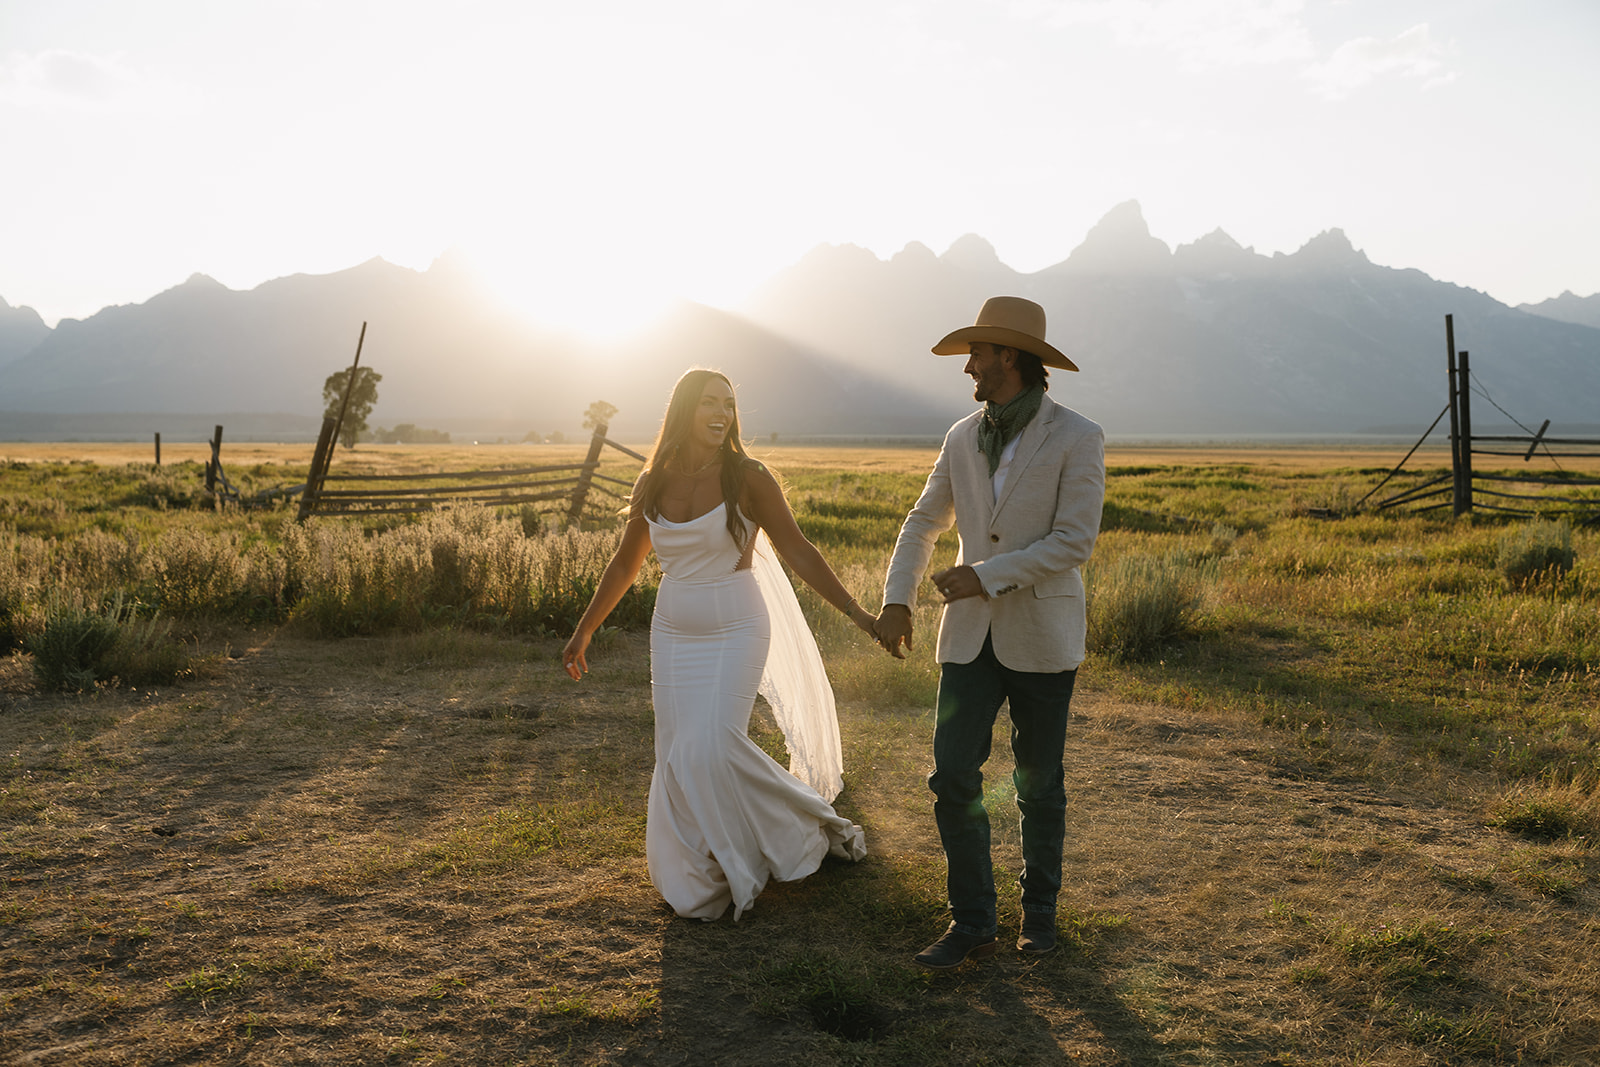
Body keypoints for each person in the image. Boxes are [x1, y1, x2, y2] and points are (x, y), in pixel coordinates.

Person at [562, 368, 872, 921]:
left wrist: (859, 614)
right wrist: (586, 627)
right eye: (710, 402)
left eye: (728, 404)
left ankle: (808, 825)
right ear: (684, 410)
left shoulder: (748, 477)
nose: (722, 413)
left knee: (712, 743)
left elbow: (798, 550)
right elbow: (626, 562)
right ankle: (696, 863)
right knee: (678, 751)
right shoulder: (652, 479)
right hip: (673, 630)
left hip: (736, 625)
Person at [874, 296, 1105, 969]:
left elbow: (1074, 540)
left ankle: (1040, 914)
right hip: (968, 637)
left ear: (1009, 356)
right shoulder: (958, 436)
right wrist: (898, 600)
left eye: (977, 353)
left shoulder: (1078, 435)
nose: (968, 366)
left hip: (1043, 634)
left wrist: (987, 573)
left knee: (1038, 782)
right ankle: (972, 920)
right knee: (951, 774)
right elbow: (923, 523)